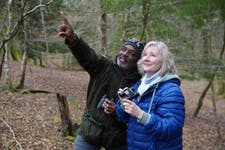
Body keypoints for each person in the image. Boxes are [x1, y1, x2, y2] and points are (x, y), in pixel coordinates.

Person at [57, 12, 144, 150]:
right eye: (123, 49)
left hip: (118, 139)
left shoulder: (141, 83)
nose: (124, 54)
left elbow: (141, 113)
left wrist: (118, 110)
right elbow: (86, 55)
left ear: (138, 60)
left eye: (131, 53)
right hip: (90, 131)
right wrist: (73, 38)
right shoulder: (104, 66)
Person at [116, 41, 185, 150]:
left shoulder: (171, 91)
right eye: (145, 55)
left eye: (152, 55)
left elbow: (172, 128)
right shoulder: (140, 85)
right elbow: (124, 118)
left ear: (163, 61)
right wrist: (123, 103)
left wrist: (141, 115)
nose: (146, 58)